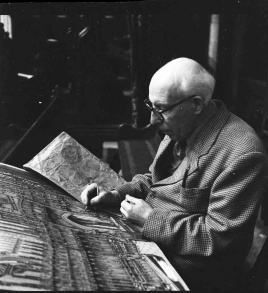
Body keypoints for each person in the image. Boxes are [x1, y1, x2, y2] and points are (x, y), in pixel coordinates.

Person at [80, 57, 268, 290]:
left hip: (191, 272)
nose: (152, 120)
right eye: (151, 107)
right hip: (158, 243)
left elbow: (219, 238)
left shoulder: (243, 153)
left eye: (160, 109)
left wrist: (150, 219)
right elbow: (156, 181)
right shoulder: (183, 122)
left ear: (196, 104)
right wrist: (116, 194)